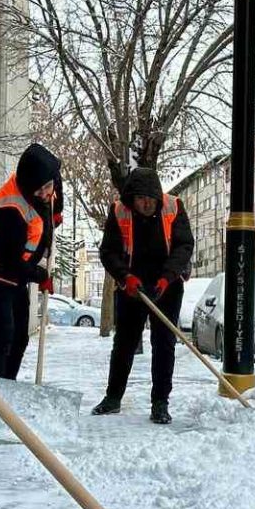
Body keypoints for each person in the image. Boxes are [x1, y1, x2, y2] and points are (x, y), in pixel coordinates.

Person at [91, 168, 194, 424]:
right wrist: (124, 276)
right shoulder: (119, 211)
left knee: (164, 343)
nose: (146, 204)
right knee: (124, 343)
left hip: (166, 286)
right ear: (132, 198)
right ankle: (113, 397)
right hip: (131, 287)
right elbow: (109, 251)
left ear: (158, 197)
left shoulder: (174, 207)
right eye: (140, 199)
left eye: (150, 199)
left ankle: (160, 402)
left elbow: (184, 245)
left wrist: (167, 278)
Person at [0, 143, 62, 436]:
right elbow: (9, 260)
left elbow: (52, 198)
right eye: (41, 190)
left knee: (21, 337)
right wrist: (39, 275)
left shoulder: (47, 185)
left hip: (17, 278)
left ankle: (6, 400)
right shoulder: (8, 208)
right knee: (4, 338)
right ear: (28, 185)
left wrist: (54, 216)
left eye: (49, 187)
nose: (46, 193)